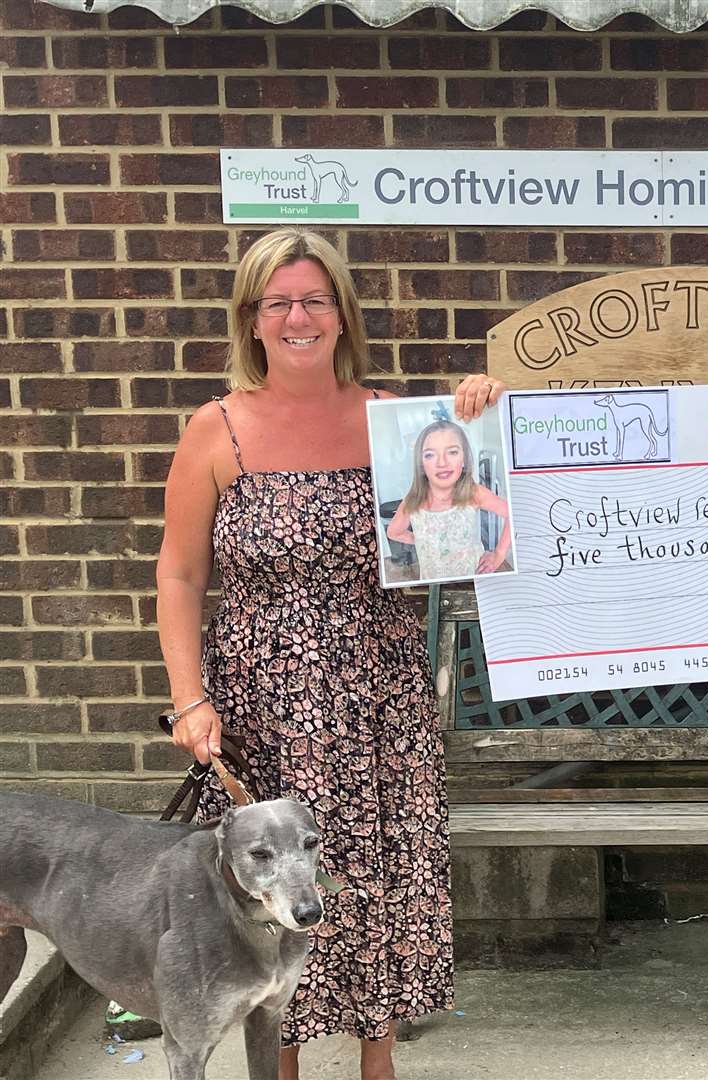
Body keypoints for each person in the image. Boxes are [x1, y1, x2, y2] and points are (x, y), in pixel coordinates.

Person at [156, 227, 505, 1080]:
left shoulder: (401, 425)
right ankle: (282, 1067)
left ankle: (377, 1062)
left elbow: (471, 530)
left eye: (315, 299)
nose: (298, 317)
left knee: (379, 875)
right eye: (278, 302)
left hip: (380, 700)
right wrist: (190, 699)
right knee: (272, 897)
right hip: (262, 708)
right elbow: (179, 574)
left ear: (342, 315)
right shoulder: (216, 429)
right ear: (253, 319)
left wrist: (485, 417)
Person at [386, 417, 512, 581]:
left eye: (452, 452)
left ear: (464, 458)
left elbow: (512, 513)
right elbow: (393, 532)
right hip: (435, 584)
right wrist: (421, 540)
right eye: (430, 455)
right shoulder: (413, 500)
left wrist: (499, 554)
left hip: (473, 579)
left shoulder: (473, 492)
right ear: (421, 463)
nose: (442, 462)